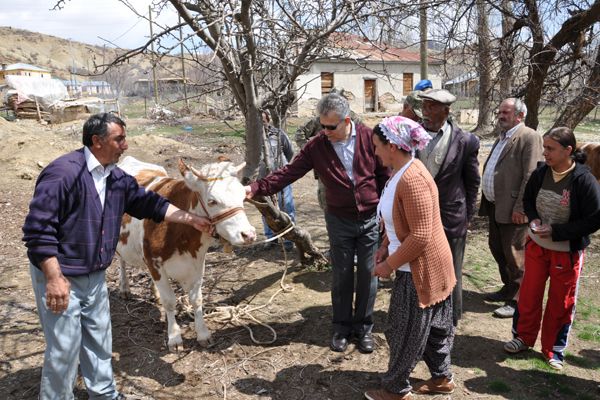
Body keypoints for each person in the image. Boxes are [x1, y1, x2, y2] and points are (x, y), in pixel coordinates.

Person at [22, 113, 213, 400]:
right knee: (64, 348)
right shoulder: (63, 174)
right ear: (97, 141)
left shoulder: (115, 177)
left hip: (94, 275)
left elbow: (149, 203)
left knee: (99, 342)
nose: (125, 145)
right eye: (119, 139)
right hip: (61, 274)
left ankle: (104, 394)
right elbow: (37, 231)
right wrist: (53, 277)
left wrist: (189, 218)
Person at [247, 93, 390, 353]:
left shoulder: (370, 138)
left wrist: (384, 213)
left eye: (330, 127)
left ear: (347, 121)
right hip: (338, 220)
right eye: (321, 125)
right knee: (342, 275)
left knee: (369, 276)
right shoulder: (317, 146)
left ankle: (364, 328)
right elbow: (288, 172)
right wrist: (256, 187)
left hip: (370, 218)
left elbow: (384, 175)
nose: (324, 131)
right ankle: (341, 328)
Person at [365, 116, 456, 400]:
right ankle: (442, 379)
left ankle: (395, 389)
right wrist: (385, 246)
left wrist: (387, 265)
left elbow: (420, 237)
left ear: (393, 146)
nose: (375, 152)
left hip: (420, 269)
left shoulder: (413, 179)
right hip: (422, 265)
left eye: (378, 146)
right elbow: (397, 222)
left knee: (403, 332)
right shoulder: (400, 172)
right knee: (431, 330)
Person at [504, 127, 600, 370]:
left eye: (550, 148)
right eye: (545, 147)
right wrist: (533, 219)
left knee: (561, 301)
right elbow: (528, 200)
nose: (544, 153)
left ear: (568, 150)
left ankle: (553, 350)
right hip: (537, 246)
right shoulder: (541, 173)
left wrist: (557, 232)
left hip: (566, 252)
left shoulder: (583, 180)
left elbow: (593, 220)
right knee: (529, 294)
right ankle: (523, 338)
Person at [417, 89, 481, 326]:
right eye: (424, 106)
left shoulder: (466, 140)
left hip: (451, 213)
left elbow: (473, 181)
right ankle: (424, 314)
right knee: (421, 265)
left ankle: (451, 318)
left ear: (446, 111)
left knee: (452, 267)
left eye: (432, 107)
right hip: (419, 213)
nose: (426, 111)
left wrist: (468, 214)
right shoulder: (412, 134)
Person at [479, 98, 543, 318]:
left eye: (506, 112)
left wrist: (522, 208)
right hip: (496, 207)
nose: (501, 115)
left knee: (515, 255)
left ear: (520, 115)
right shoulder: (503, 136)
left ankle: (518, 300)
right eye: (500, 111)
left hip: (515, 210)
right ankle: (508, 289)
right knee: (498, 249)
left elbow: (530, 175)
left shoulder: (529, 136)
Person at [259, 110, 296, 250]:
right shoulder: (253, 137)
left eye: (263, 120)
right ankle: (270, 238)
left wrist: (284, 170)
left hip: (281, 177)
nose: (261, 124)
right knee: (266, 208)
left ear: (268, 120)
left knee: (287, 206)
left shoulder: (278, 134)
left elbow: (290, 152)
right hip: (263, 179)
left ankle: (289, 240)